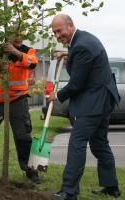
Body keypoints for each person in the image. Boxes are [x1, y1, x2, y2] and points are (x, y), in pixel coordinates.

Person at [49, 14, 121, 200]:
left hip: (93, 102)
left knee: (77, 143)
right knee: (99, 144)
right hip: (103, 99)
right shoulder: (82, 39)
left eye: (60, 30)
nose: (58, 35)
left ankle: (69, 191)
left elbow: (76, 84)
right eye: (54, 32)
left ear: (70, 26)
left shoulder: (81, 46)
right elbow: (81, 58)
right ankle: (111, 186)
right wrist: (66, 54)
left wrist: (56, 96)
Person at [0, 33, 42, 183]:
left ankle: (29, 170)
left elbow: (32, 63)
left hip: (18, 100)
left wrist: (17, 53)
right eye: (15, 37)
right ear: (8, 37)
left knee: (23, 137)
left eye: (22, 36)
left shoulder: (28, 50)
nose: (19, 39)